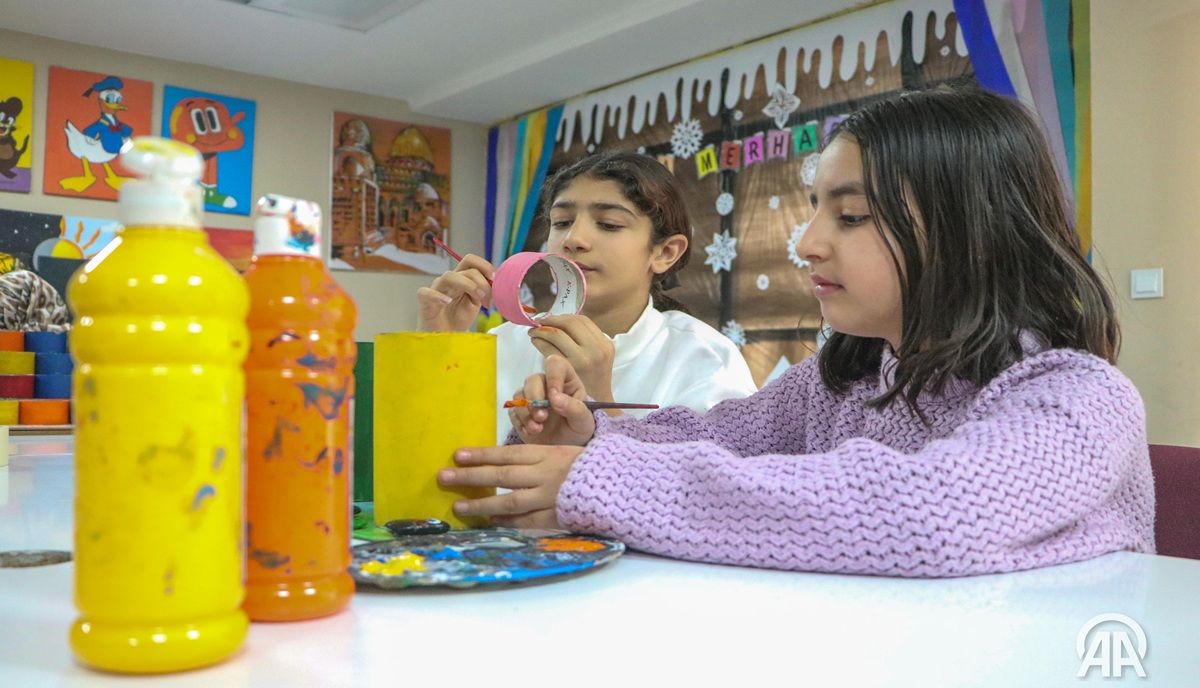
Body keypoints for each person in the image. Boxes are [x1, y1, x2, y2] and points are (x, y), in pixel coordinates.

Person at [435, 86, 1155, 578]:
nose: (806, 243)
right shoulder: (841, 379)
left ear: (972, 233)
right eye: (813, 209)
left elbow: (933, 511)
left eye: (850, 215)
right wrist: (592, 436)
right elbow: (714, 436)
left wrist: (604, 478)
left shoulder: (1081, 398)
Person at [416, 151, 757, 443]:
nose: (573, 239)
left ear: (665, 252)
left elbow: (714, 484)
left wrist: (600, 402)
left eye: (608, 224)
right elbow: (430, 452)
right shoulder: (501, 344)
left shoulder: (704, 359)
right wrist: (435, 348)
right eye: (562, 222)